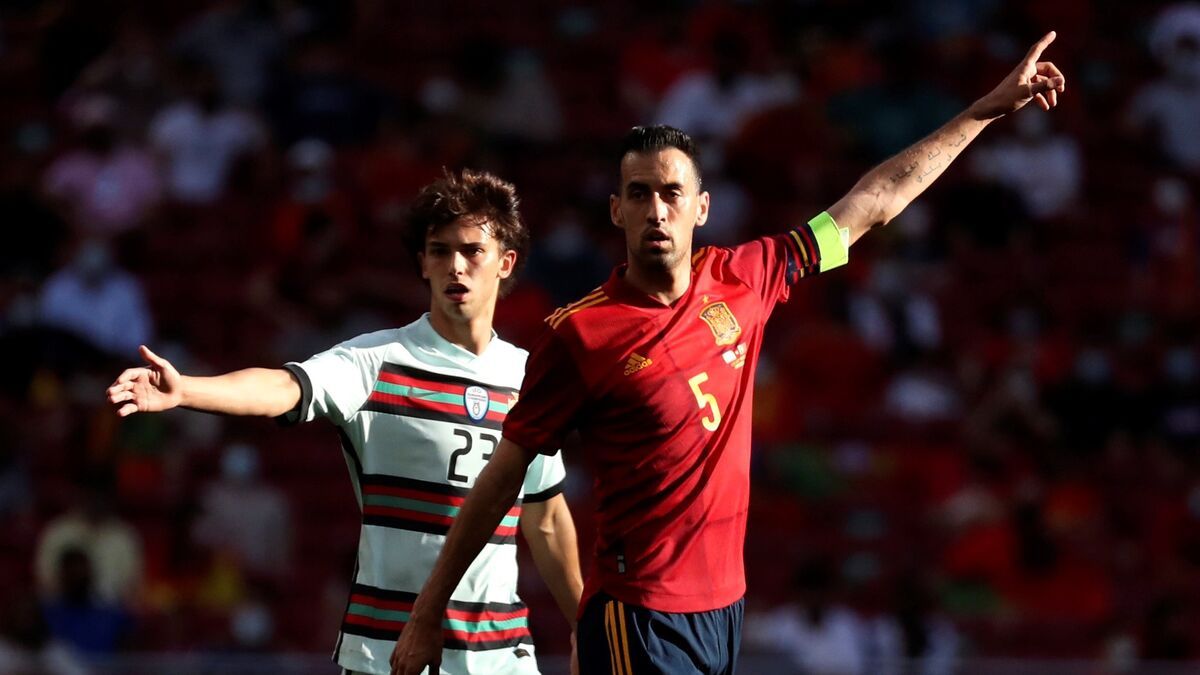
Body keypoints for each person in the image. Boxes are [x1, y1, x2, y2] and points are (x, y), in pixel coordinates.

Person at [391, 32, 1066, 675]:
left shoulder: (749, 277)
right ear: (616, 212)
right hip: (639, 614)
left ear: (702, 207)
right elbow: (501, 477)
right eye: (639, 194)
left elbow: (873, 205)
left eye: (672, 193)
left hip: (724, 610)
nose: (657, 209)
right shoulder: (580, 335)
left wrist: (981, 112)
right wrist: (428, 612)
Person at [106, 169, 583, 675]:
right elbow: (283, 387)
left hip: (501, 658)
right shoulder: (375, 361)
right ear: (422, 263)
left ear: (505, 263)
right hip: (389, 652)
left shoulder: (526, 377)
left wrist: (586, 627)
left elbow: (547, 518)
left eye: (471, 251)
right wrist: (188, 390)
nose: (455, 267)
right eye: (439, 251)